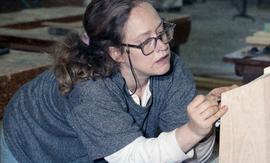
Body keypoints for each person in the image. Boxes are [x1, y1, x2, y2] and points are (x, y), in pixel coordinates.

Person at [1, 0, 234, 162]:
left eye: (161, 31)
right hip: (31, 145)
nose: (163, 46)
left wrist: (204, 127)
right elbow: (133, 157)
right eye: (146, 42)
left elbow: (188, 157)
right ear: (116, 53)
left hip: (103, 146)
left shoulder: (171, 69)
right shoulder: (89, 88)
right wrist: (192, 131)